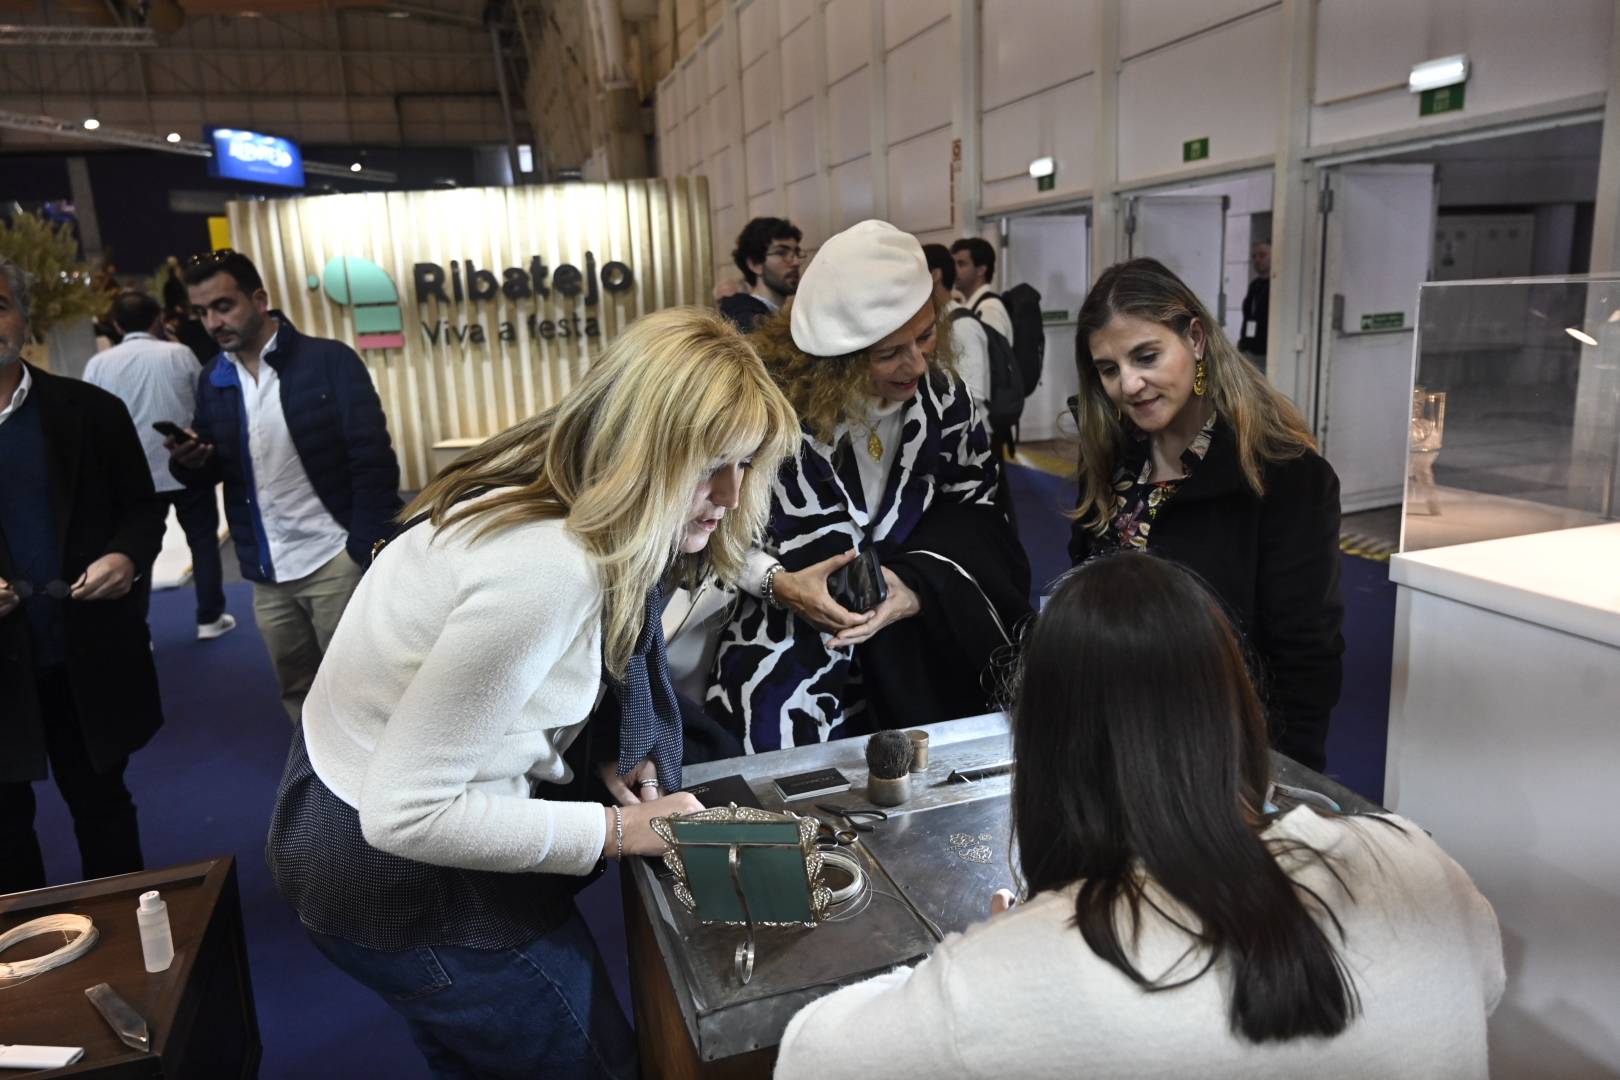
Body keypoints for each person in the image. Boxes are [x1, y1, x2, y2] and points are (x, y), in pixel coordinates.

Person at [267, 307, 797, 1079]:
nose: (729, 493)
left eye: (745, 462)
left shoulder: (549, 488)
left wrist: (598, 752)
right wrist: (621, 831)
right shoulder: (547, 567)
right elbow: (405, 815)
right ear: (639, 447)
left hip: (333, 813)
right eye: (707, 463)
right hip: (398, 875)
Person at [776, 554, 1505, 1079]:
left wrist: (996, 948)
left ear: (1047, 752)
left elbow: (809, 1055)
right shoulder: (1412, 858)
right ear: (1234, 713)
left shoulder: (1012, 977)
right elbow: (1487, 981)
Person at [709, 220, 1030, 752]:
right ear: (836, 360)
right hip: (785, 658)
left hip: (916, 661)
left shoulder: (946, 403)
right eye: (888, 353)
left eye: (925, 335)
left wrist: (915, 586)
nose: (917, 364)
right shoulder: (765, 413)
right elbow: (706, 527)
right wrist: (775, 582)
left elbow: (981, 515)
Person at [1066, 257, 1343, 771]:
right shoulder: (1108, 460)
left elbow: (1305, 657)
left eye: (1146, 356)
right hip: (1110, 739)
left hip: (1221, 755)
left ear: (1195, 339)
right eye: (1109, 369)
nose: (1129, 384)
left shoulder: (1285, 477)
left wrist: (1283, 775)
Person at [168, 249, 402, 722]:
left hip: (335, 556)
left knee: (364, 686)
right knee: (297, 689)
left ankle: (378, 768)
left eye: (223, 306)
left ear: (259, 300)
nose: (213, 323)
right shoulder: (213, 379)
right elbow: (217, 466)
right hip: (266, 569)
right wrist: (190, 463)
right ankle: (314, 769)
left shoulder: (329, 361)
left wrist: (362, 546)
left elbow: (372, 458)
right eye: (202, 311)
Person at [0, 258, 168, 893]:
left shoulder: (91, 411)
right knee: (4, 832)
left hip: (84, 654)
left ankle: (126, 932)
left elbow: (142, 509)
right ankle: (22, 947)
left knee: (103, 808)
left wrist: (126, 557)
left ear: (24, 318)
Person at [84, 289, 234, 641]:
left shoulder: (98, 364)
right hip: (185, 464)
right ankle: (210, 618)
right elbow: (204, 402)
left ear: (116, 325)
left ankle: (140, 630)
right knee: (203, 542)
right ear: (158, 320)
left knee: (135, 551)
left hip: (132, 476)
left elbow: (91, 421)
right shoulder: (179, 354)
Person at [921, 243, 989, 416]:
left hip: (964, 429)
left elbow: (974, 394)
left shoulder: (962, 324)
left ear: (934, 275)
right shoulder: (931, 321)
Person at [719, 216, 803, 332]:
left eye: (797, 253)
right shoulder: (743, 316)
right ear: (755, 264)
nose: (796, 262)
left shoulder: (787, 314)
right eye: (781, 253)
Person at [950, 235, 1013, 346]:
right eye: (953, 264)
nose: (953, 270)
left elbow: (994, 353)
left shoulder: (989, 308)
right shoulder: (972, 305)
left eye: (961, 264)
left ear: (981, 270)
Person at [1237, 239, 1270, 367]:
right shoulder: (1254, 285)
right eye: (1254, 257)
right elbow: (1248, 316)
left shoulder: (1275, 286)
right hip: (1250, 349)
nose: (1257, 260)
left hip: (1267, 351)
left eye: (1262, 255)